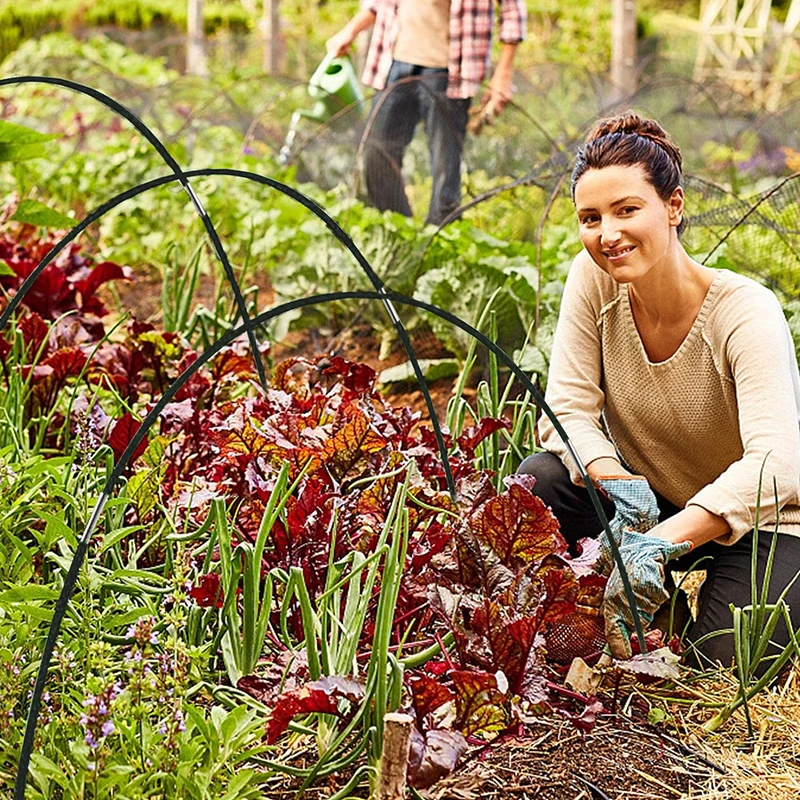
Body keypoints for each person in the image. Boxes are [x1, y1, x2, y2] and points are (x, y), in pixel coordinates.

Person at [519, 112, 800, 672]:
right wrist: (618, 482)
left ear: (673, 207)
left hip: (762, 516)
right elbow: (568, 409)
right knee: (540, 482)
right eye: (590, 218)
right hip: (653, 497)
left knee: (720, 667)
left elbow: (777, 463)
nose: (608, 234)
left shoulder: (745, 312)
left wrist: (662, 540)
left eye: (627, 210)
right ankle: (653, 608)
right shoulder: (593, 276)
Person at [326, 0, 526, 225]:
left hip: (449, 71)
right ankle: (402, 236)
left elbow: (512, 10)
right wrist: (350, 31)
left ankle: (438, 245)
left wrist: (503, 74)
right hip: (393, 61)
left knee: (445, 173)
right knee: (376, 156)